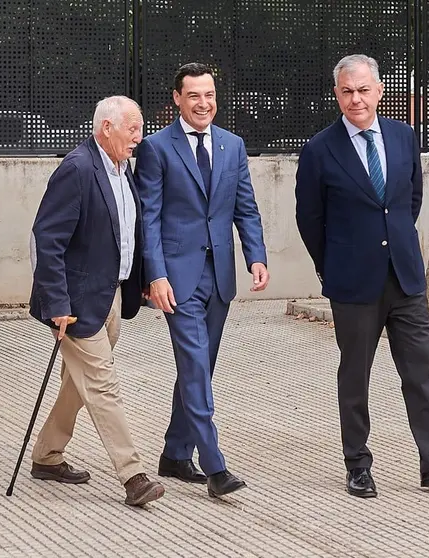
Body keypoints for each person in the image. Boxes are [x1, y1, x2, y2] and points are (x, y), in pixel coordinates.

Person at [295, 54, 429, 498]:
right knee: (356, 376)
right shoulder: (320, 150)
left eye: (363, 90)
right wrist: (334, 267)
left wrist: (395, 244)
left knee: (422, 371)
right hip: (353, 283)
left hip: (405, 278)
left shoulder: (404, 137)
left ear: (379, 91)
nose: (356, 99)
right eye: (347, 91)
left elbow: (409, 200)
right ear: (337, 94)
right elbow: (310, 220)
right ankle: (358, 465)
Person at [134, 62, 268, 497]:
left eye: (209, 95)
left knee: (200, 369)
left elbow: (244, 207)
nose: (203, 103)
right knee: (194, 368)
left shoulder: (232, 145)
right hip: (177, 278)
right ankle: (215, 467)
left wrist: (256, 256)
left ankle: (174, 454)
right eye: (193, 96)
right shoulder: (156, 148)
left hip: (220, 278)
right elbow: (148, 219)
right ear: (177, 99)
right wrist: (155, 274)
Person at [28, 95, 165, 507]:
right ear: (107, 128)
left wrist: (137, 280)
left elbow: (126, 234)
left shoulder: (123, 170)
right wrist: (57, 303)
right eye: (132, 128)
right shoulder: (77, 168)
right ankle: (133, 475)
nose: (139, 137)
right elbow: (47, 240)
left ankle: (47, 455)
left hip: (112, 297)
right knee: (103, 385)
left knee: (78, 382)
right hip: (77, 303)